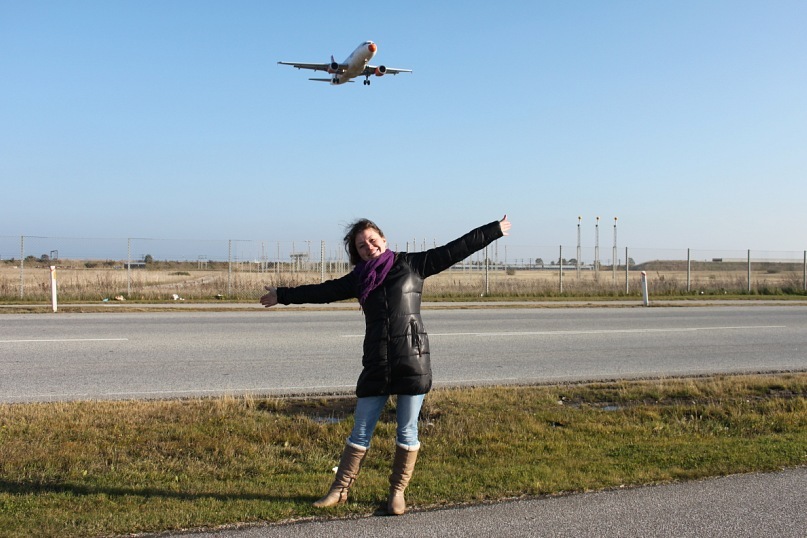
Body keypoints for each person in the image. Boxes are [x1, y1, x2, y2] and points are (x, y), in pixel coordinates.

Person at [260, 215, 511, 515]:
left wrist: (493, 230)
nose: (369, 246)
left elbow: (455, 249)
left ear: (383, 239)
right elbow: (322, 291)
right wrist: (282, 295)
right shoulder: (359, 278)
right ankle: (339, 490)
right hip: (377, 362)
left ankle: (397, 494)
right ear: (357, 253)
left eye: (372, 240)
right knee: (360, 431)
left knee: (407, 431)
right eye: (361, 245)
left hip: (412, 359)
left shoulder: (412, 265)